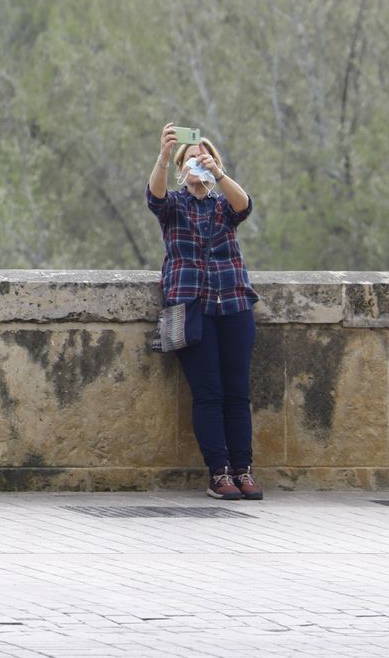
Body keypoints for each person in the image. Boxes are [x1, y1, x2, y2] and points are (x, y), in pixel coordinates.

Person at [146, 123, 263, 501]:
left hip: (233, 303)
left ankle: (244, 469)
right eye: (191, 159)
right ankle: (219, 473)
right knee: (208, 393)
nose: (197, 164)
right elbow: (155, 197)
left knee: (237, 392)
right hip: (191, 307)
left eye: (202, 158)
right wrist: (164, 156)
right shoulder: (175, 205)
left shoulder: (222, 206)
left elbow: (244, 205)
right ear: (181, 169)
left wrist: (218, 174)